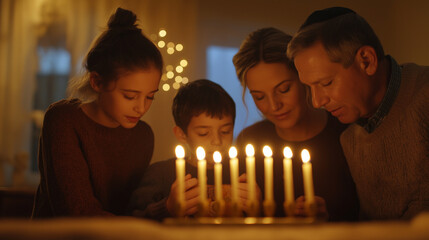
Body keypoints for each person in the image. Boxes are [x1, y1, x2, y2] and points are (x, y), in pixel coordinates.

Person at [287, 7, 429, 220]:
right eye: (309, 87)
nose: (317, 101)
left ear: (366, 61)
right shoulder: (350, 138)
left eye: (326, 83)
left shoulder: (424, 97)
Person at [32, 8, 163, 217]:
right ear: (97, 81)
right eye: (130, 95)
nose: (141, 108)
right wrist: (147, 217)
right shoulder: (64, 120)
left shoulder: (143, 135)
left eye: (150, 96)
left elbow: (129, 208)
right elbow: (78, 214)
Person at [232, 27, 359, 221]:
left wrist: (329, 219)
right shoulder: (249, 143)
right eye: (259, 97)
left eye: (283, 89)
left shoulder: (348, 133)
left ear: (303, 79)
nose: (274, 106)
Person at [129, 79, 260, 221]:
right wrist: (166, 207)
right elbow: (130, 223)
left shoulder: (245, 173)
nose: (217, 141)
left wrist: (257, 208)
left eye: (225, 131)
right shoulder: (161, 174)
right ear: (181, 134)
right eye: (203, 133)